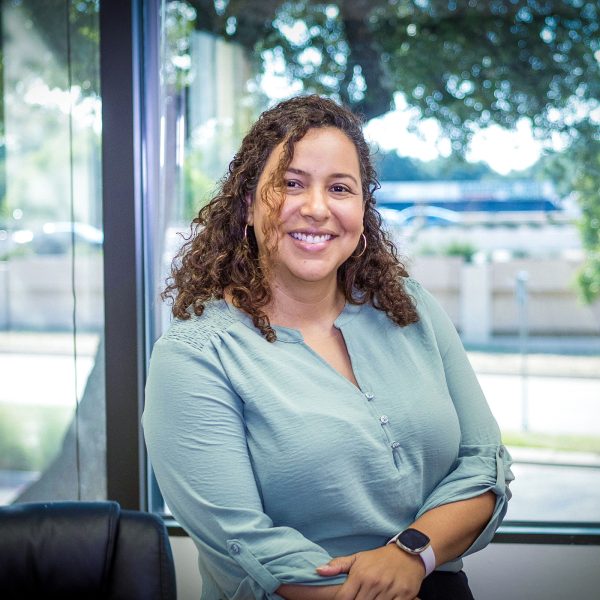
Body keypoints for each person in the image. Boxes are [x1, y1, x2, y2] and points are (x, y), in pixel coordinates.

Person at [142, 95, 514, 600]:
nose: (317, 209)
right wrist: (381, 583)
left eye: (340, 188)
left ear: (362, 211)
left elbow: (484, 464)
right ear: (248, 205)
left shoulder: (411, 308)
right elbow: (245, 543)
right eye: (292, 184)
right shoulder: (193, 356)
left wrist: (410, 554)